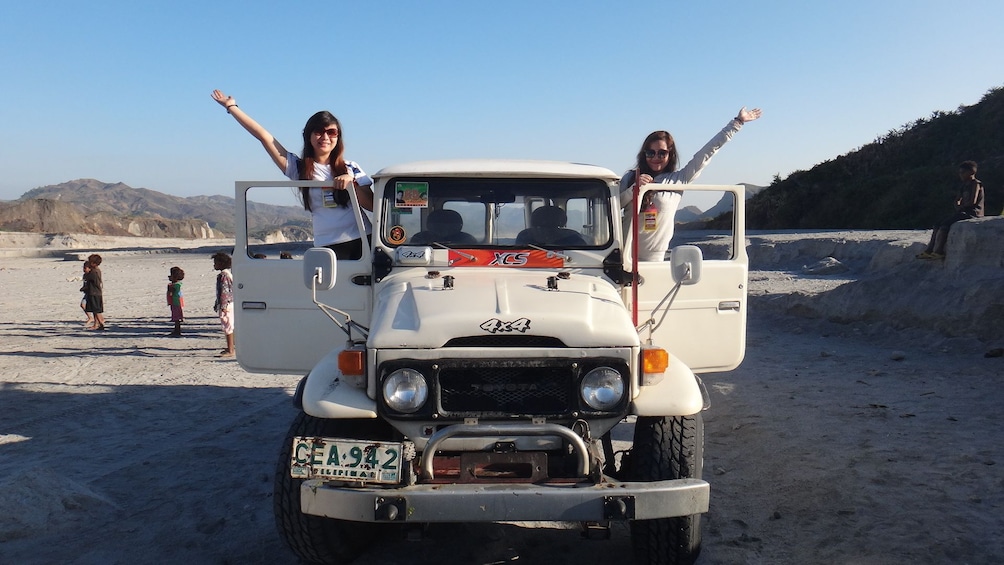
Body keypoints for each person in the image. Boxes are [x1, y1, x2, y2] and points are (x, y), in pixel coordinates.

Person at [211, 89, 374, 259]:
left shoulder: (351, 167)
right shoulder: (299, 167)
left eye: (331, 132)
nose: (325, 137)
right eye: (318, 131)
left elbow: (371, 205)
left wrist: (352, 183)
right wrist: (232, 107)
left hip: (363, 240)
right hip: (327, 246)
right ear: (308, 135)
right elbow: (265, 137)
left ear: (337, 137)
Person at [621, 107, 762, 261]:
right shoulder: (630, 177)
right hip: (623, 254)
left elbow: (707, 152)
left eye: (662, 153)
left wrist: (737, 123)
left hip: (654, 257)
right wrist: (634, 190)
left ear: (670, 155)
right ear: (644, 154)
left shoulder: (678, 180)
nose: (655, 157)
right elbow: (613, 207)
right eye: (650, 152)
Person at [917, 160, 985, 260]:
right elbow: (957, 199)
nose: (960, 175)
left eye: (963, 173)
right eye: (959, 173)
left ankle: (939, 251)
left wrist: (961, 207)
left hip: (973, 213)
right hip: (964, 211)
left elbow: (973, 201)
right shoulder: (964, 185)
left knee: (945, 225)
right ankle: (929, 250)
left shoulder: (976, 184)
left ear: (971, 172)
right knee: (938, 224)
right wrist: (957, 205)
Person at [212, 252, 235, 357]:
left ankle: (230, 350)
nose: (214, 265)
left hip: (227, 305)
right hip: (229, 303)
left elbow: (225, 292)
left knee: (227, 326)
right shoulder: (228, 274)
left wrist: (223, 306)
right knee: (229, 325)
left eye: (215, 263)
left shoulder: (224, 276)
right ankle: (230, 347)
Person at [83, 254, 106, 331]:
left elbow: (91, 279)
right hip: (95, 292)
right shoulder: (96, 271)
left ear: (94, 263)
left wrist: (86, 274)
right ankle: (97, 324)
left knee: (96, 310)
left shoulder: (94, 272)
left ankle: (100, 323)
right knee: (95, 310)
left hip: (94, 293)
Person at [167, 266, 185, 337]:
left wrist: (170, 288)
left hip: (176, 303)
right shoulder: (176, 284)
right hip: (175, 302)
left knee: (176, 317)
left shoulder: (176, 285)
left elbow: (172, 292)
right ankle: (176, 329)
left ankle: (177, 330)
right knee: (176, 316)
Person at [80, 261, 96, 328]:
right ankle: (90, 317)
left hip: (92, 293)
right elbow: (85, 284)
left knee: (94, 307)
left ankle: (98, 319)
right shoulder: (85, 275)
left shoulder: (92, 275)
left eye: (85, 268)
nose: (84, 269)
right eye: (83, 268)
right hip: (87, 293)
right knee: (82, 305)